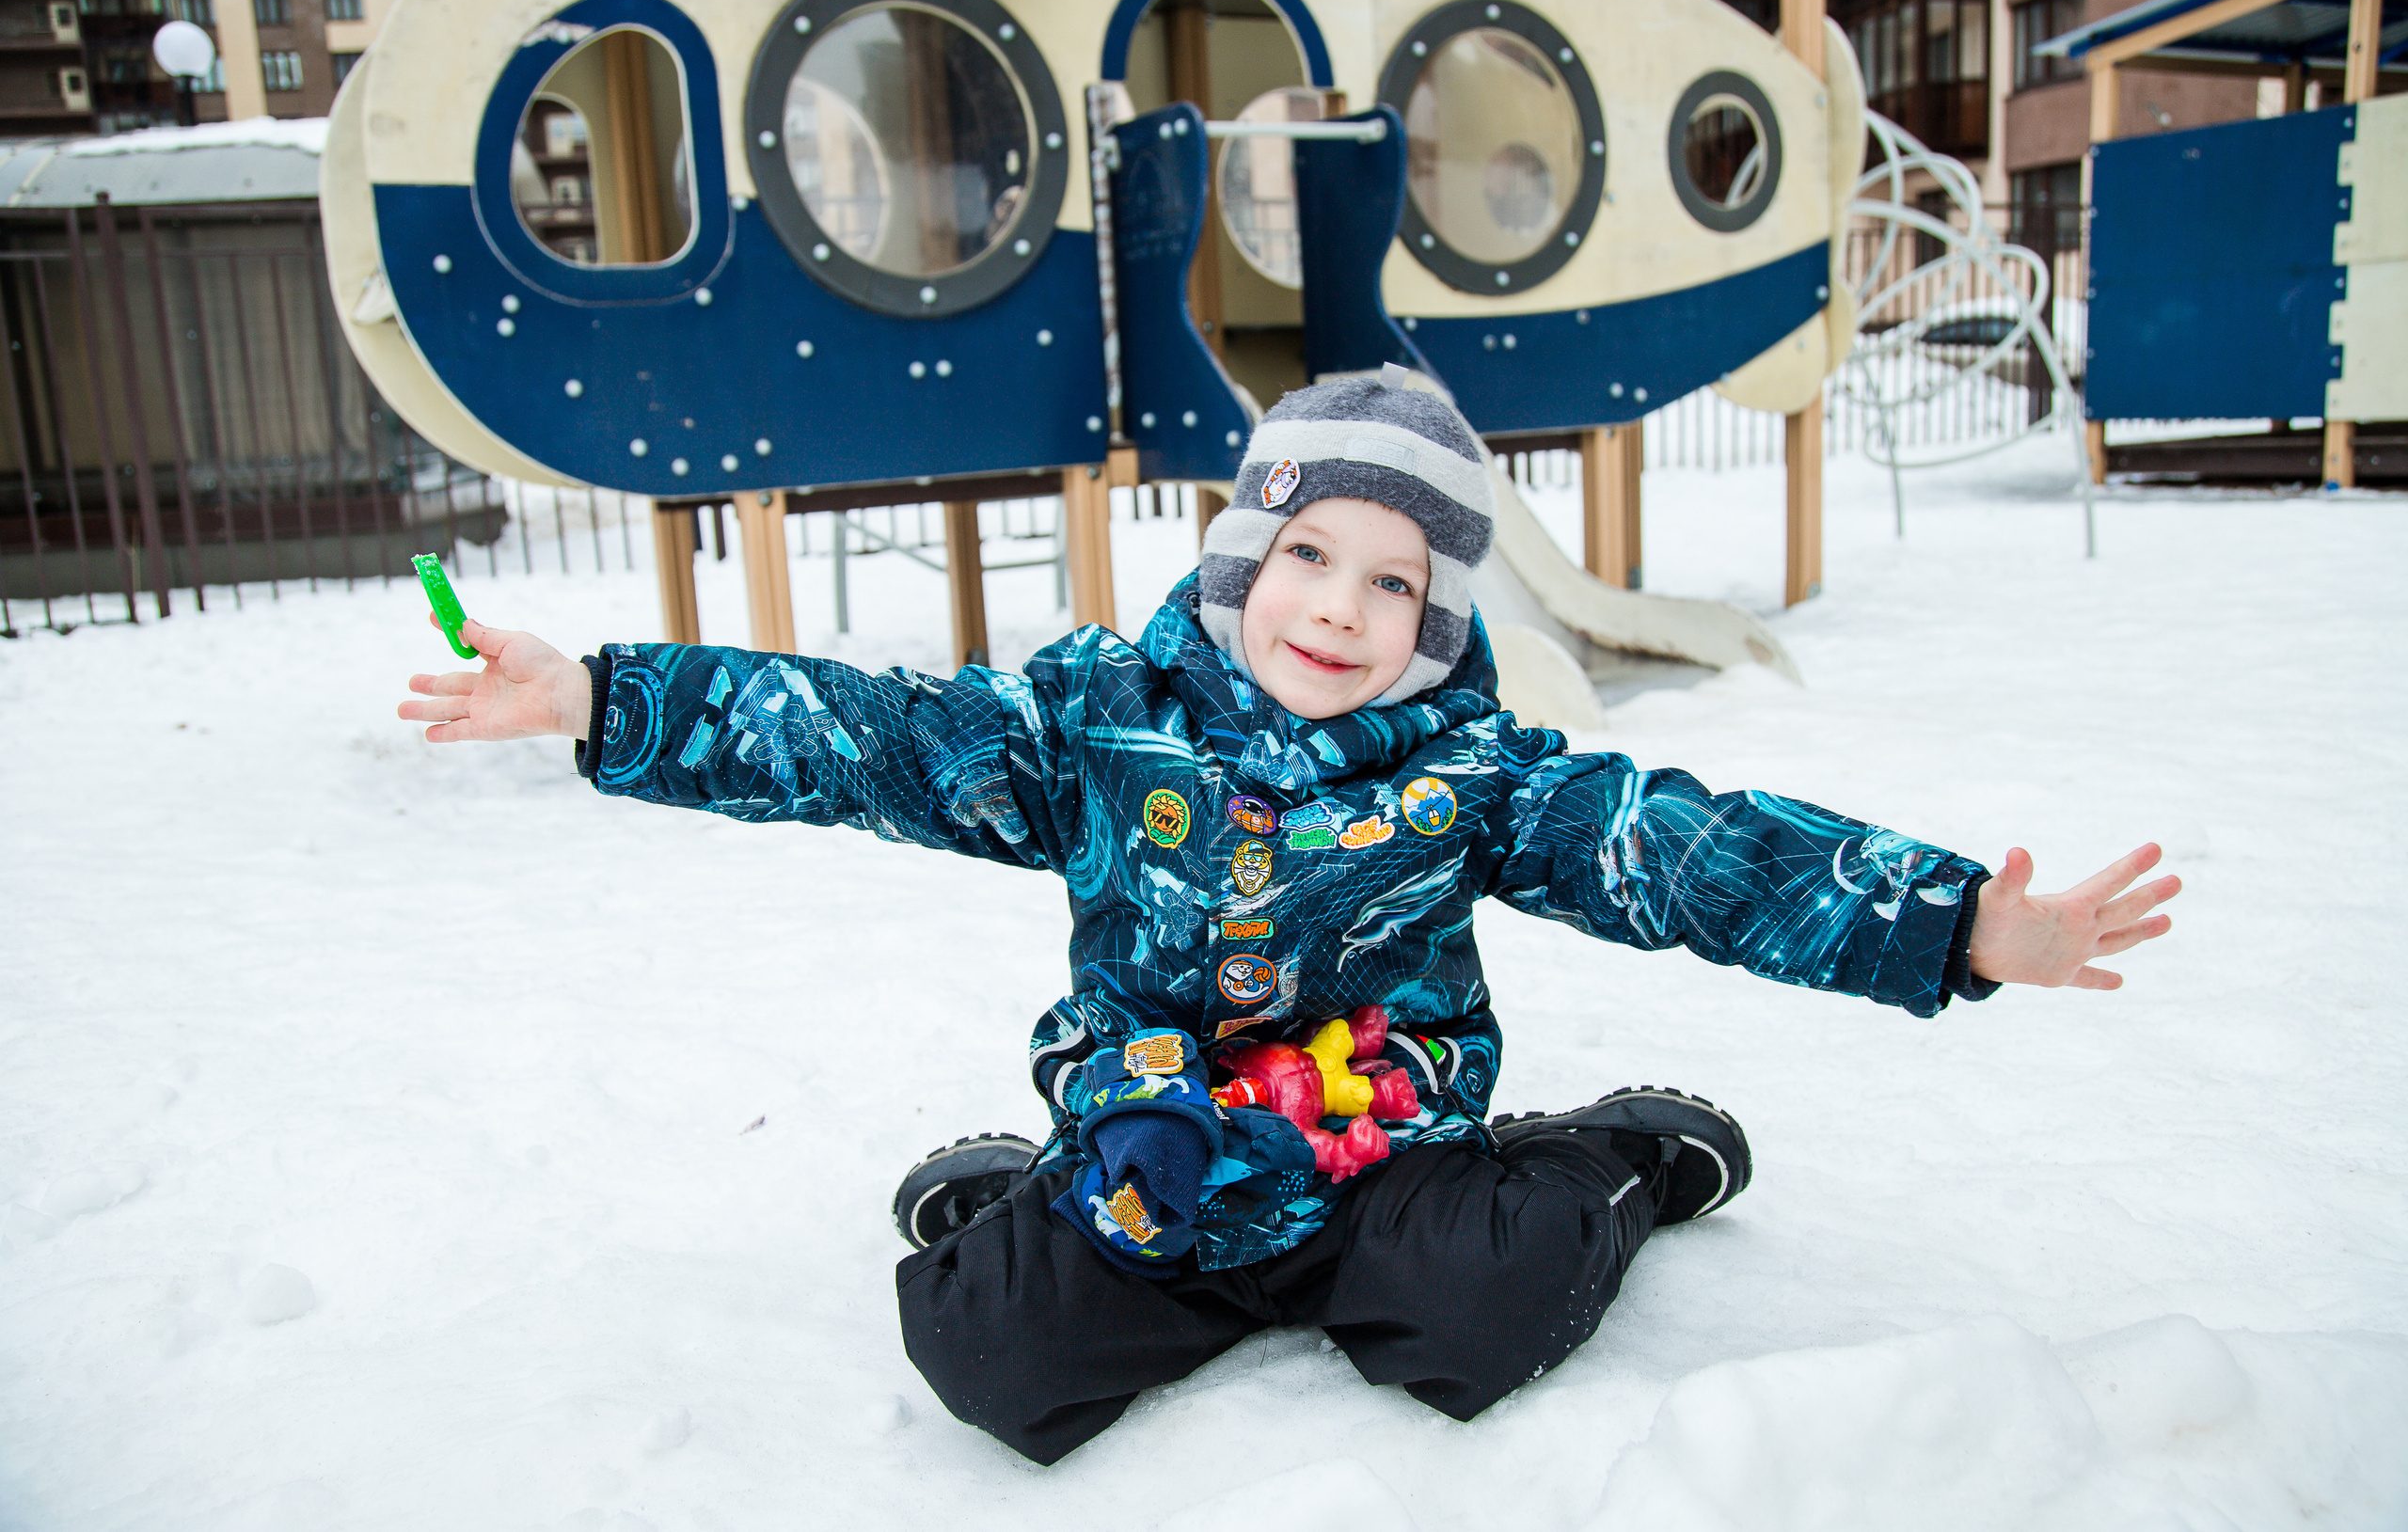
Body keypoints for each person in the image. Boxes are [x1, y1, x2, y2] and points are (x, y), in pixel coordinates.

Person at [399, 370, 2177, 1465]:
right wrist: (600, 700)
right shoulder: (1095, 726)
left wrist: (1951, 928)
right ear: (1244, 555)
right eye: (1314, 554)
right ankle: (1036, 1202)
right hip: (1149, 1141)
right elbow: (870, 739)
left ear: (1439, 621)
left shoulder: (1468, 773)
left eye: (1396, 581)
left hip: (1376, 1157)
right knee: (983, 1348)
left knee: (1483, 1316)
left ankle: (1619, 1162)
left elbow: (1686, 851)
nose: (1342, 608)